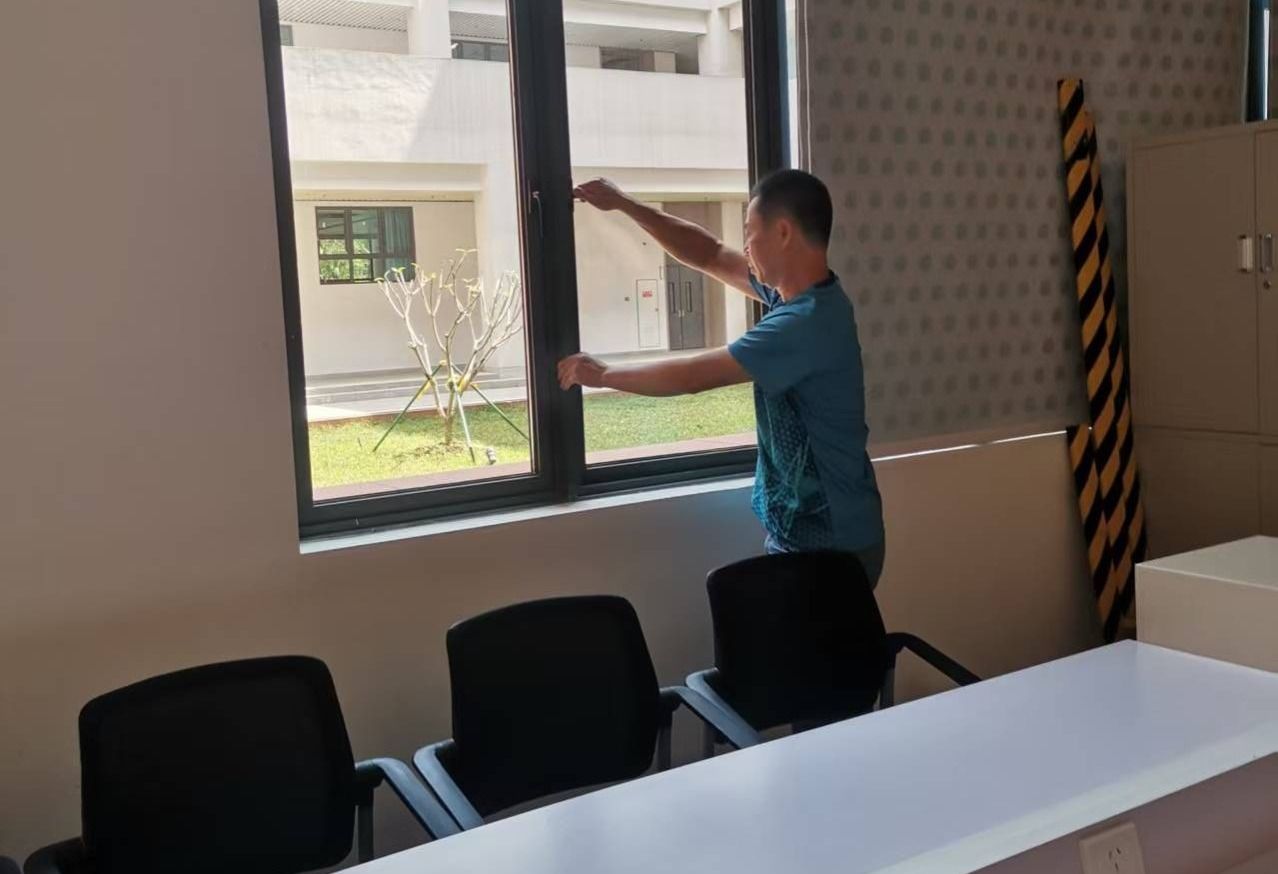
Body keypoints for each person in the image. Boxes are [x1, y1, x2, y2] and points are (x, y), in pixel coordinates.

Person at [558, 170, 886, 587]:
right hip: (809, 535)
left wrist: (603, 374)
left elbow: (693, 376)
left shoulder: (805, 324)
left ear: (783, 233)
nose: (745, 246)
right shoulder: (799, 299)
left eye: (750, 232)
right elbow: (710, 254)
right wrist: (626, 204)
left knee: (804, 633)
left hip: (835, 548)